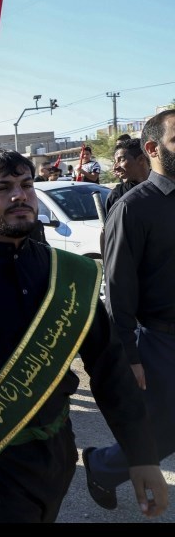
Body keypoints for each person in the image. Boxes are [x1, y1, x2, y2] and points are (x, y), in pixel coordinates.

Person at [0, 148, 168, 523]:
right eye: (2, 187)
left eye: (26, 185)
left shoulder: (70, 274)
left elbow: (110, 370)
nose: (19, 195)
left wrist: (141, 457)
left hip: (58, 449)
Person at [82, 109, 175, 513]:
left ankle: (104, 465)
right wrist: (129, 356)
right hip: (159, 340)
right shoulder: (133, 208)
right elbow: (116, 290)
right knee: (163, 431)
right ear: (153, 149)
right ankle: (103, 464)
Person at [105, 138, 150, 215]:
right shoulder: (117, 196)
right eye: (115, 162)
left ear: (141, 159)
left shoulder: (165, 188)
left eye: (121, 160)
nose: (115, 167)